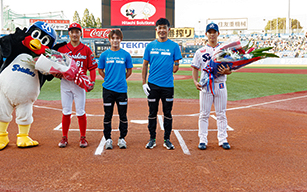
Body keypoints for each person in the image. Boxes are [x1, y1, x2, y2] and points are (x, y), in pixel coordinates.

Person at [53, 23, 97, 148]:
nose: (74, 34)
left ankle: (83, 138)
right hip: (66, 83)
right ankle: (64, 137)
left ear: (80, 33)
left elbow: (92, 67)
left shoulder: (86, 49)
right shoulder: (62, 49)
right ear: (69, 34)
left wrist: (92, 81)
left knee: (80, 111)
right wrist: (56, 74)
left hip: (80, 84)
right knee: (66, 111)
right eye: (72, 32)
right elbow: (56, 66)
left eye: (77, 32)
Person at [142, 18, 182, 150]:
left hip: (168, 86)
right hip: (153, 85)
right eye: (159, 28)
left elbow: (176, 66)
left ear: (168, 29)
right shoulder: (150, 46)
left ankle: (167, 139)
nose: (162, 30)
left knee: (167, 113)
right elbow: (145, 65)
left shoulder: (174, 46)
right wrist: (144, 83)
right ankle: (152, 138)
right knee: (152, 113)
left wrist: (173, 66)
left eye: (164, 27)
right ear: (156, 30)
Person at [191, 22, 232, 150]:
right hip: (206, 86)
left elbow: (230, 69)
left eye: (214, 32)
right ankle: (203, 140)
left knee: (221, 113)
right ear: (206, 34)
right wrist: (195, 81)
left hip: (220, 84)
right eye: (210, 32)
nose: (212, 34)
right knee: (204, 114)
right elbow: (195, 68)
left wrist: (227, 72)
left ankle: (223, 139)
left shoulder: (225, 51)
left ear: (218, 34)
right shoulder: (200, 51)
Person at [98, 29, 133, 149]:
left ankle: (122, 138)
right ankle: (108, 139)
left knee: (123, 115)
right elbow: (100, 70)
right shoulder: (104, 55)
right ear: (109, 40)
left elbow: (129, 71)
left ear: (121, 40)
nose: (115, 40)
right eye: (113, 38)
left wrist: (121, 79)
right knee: (108, 115)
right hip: (108, 90)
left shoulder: (125, 54)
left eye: (117, 38)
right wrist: (108, 79)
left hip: (121, 90)